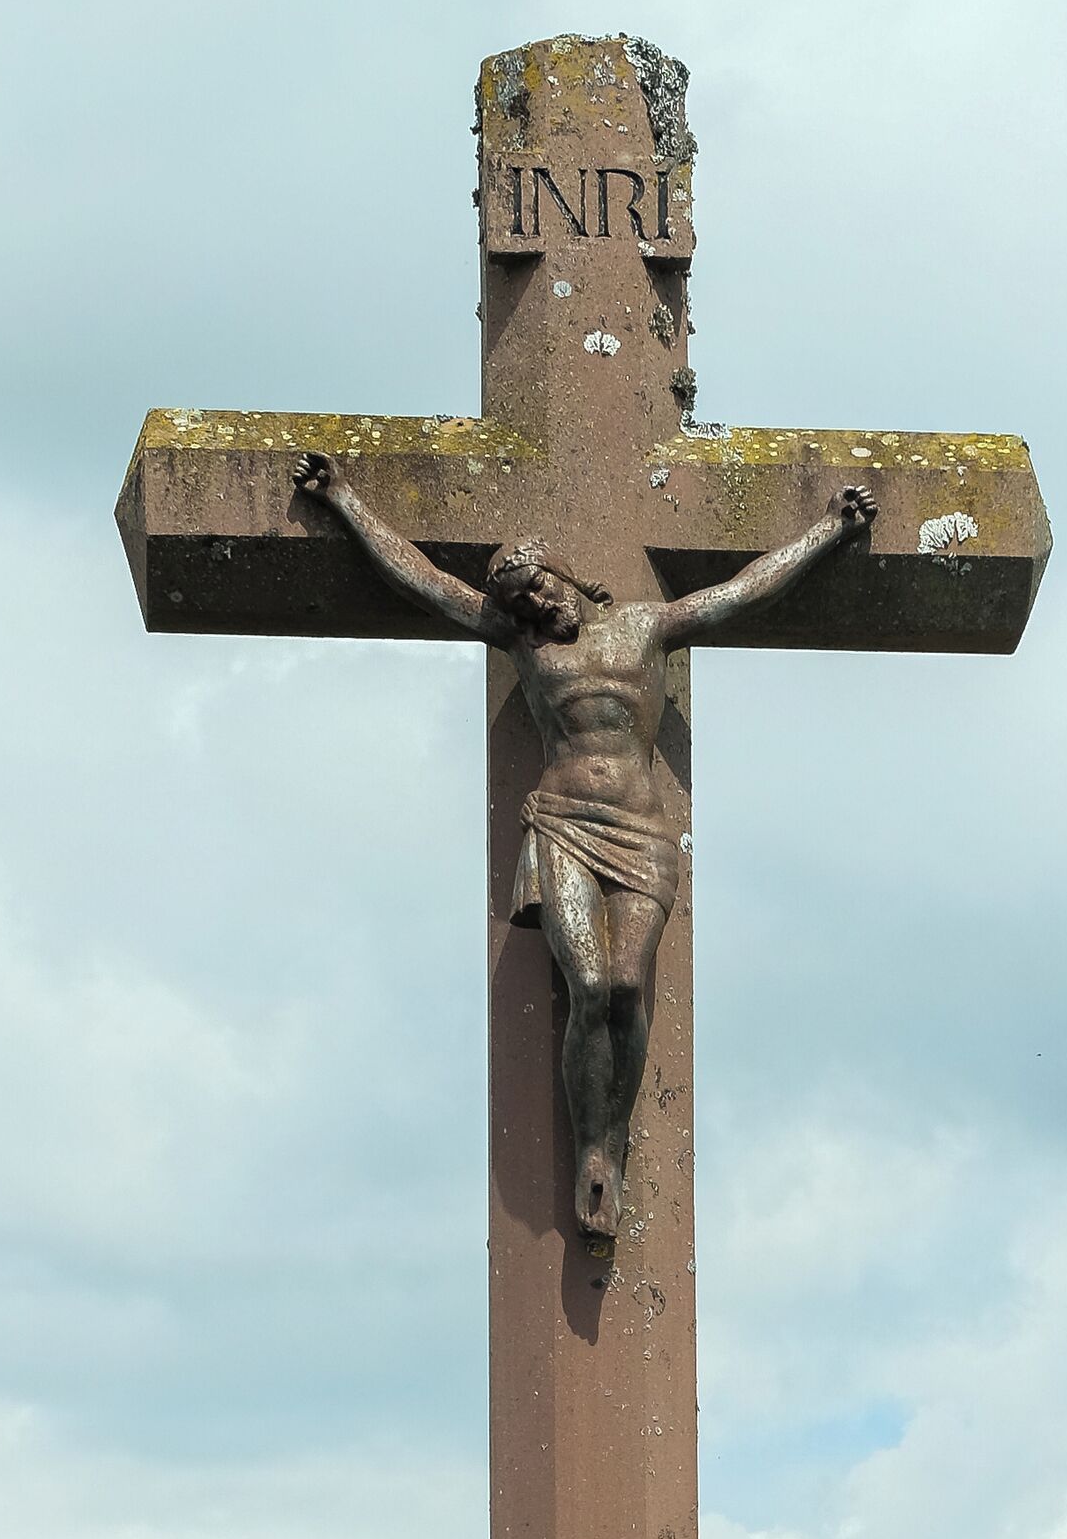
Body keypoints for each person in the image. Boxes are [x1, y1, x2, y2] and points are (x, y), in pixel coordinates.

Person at [294, 454, 877, 1240]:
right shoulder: (523, 643)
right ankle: (592, 1155)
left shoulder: (644, 626)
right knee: (591, 983)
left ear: (564, 576)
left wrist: (826, 532)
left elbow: (739, 591)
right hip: (563, 824)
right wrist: (344, 501)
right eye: (516, 598)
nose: (530, 603)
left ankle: (614, 1138)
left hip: (641, 835)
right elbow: (424, 580)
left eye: (535, 586)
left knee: (627, 989)